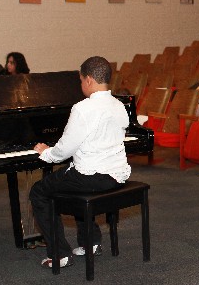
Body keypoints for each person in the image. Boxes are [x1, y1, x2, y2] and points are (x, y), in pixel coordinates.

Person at [29, 56, 131, 268]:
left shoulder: (83, 108)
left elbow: (64, 150)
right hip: (117, 174)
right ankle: (90, 243)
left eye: (81, 80)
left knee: (39, 191)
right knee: (71, 176)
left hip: (92, 177)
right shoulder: (119, 105)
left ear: (88, 80)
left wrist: (46, 152)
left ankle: (60, 254)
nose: (81, 84)